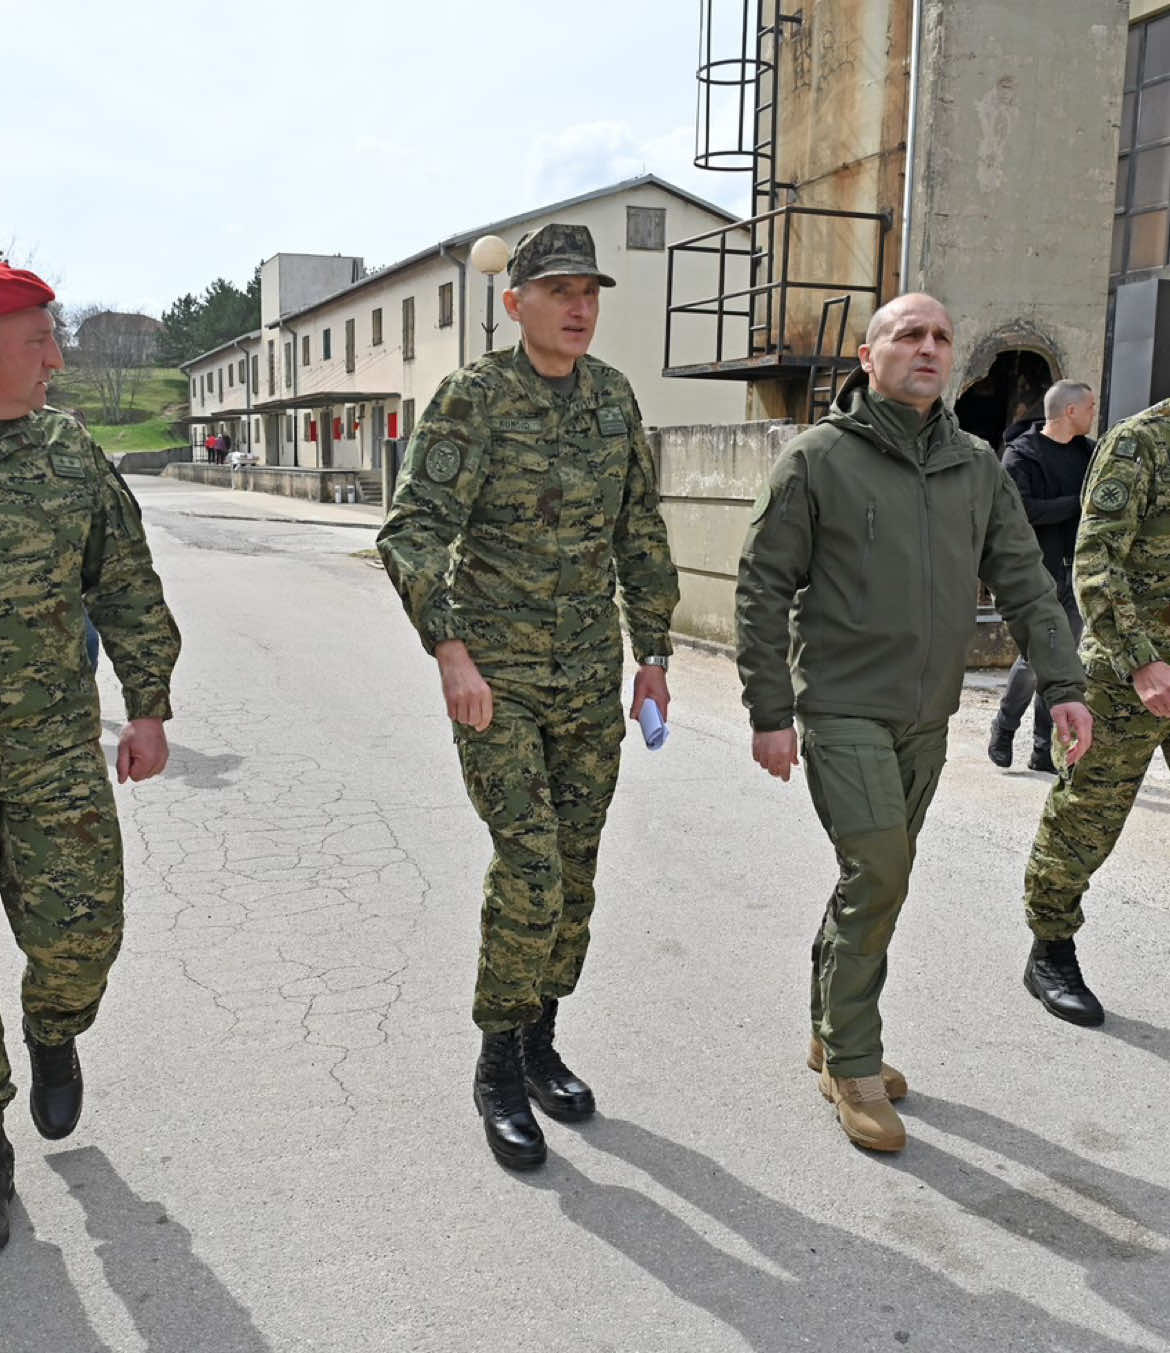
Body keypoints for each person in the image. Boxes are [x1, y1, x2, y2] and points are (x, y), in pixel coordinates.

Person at [736, 293, 1091, 1153]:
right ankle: (853, 1062)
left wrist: (1064, 683)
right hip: (842, 705)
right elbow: (762, 585)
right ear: (870, 355)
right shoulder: (818, 459)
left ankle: (830, 1023)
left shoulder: (976, 466)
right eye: (909, 335)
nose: (928, 348)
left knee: (876, 879)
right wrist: (769, 711)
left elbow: (1024, 580)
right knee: (881, 866)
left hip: (925, 718)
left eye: (941, 336)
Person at [377, 224, 679, 1170]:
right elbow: (413, 532)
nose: (579, 307)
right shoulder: (475, 399)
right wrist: (451, 653)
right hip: (498, 682)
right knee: (532, 866)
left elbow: (640, 530)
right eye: (557, 291)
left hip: (589, 676)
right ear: (516, 305)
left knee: (577, 871)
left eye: (589, 290)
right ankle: (498, 1059)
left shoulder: (614, 400)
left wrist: (655, 653)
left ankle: (542, 1035)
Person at [0, 264, 180, 1248]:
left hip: (50, 751)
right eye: (38, 342)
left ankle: (54, 1027)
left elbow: (126, 581)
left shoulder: (69, 454)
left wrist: (146, 705)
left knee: (82, 934)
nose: (57, 360)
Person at [1021, 398, 1170, 1027]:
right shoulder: (1141, 443)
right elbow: (1096, 560)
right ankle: (1050, 948)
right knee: (1087, 817)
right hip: (1126, 678)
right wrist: (1142, 661)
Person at [988, 381, 1096, 773]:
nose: (1093, 413)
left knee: (1061, 660)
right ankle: (1004, 727)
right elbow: (1023, 510)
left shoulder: (1089, 452)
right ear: (1070, 411)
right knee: (1035, 659)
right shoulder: (1021, 454)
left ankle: (1041, 749)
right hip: (1038, 573)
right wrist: (1078, 503)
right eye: (1089, 406)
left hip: (1079, 572)